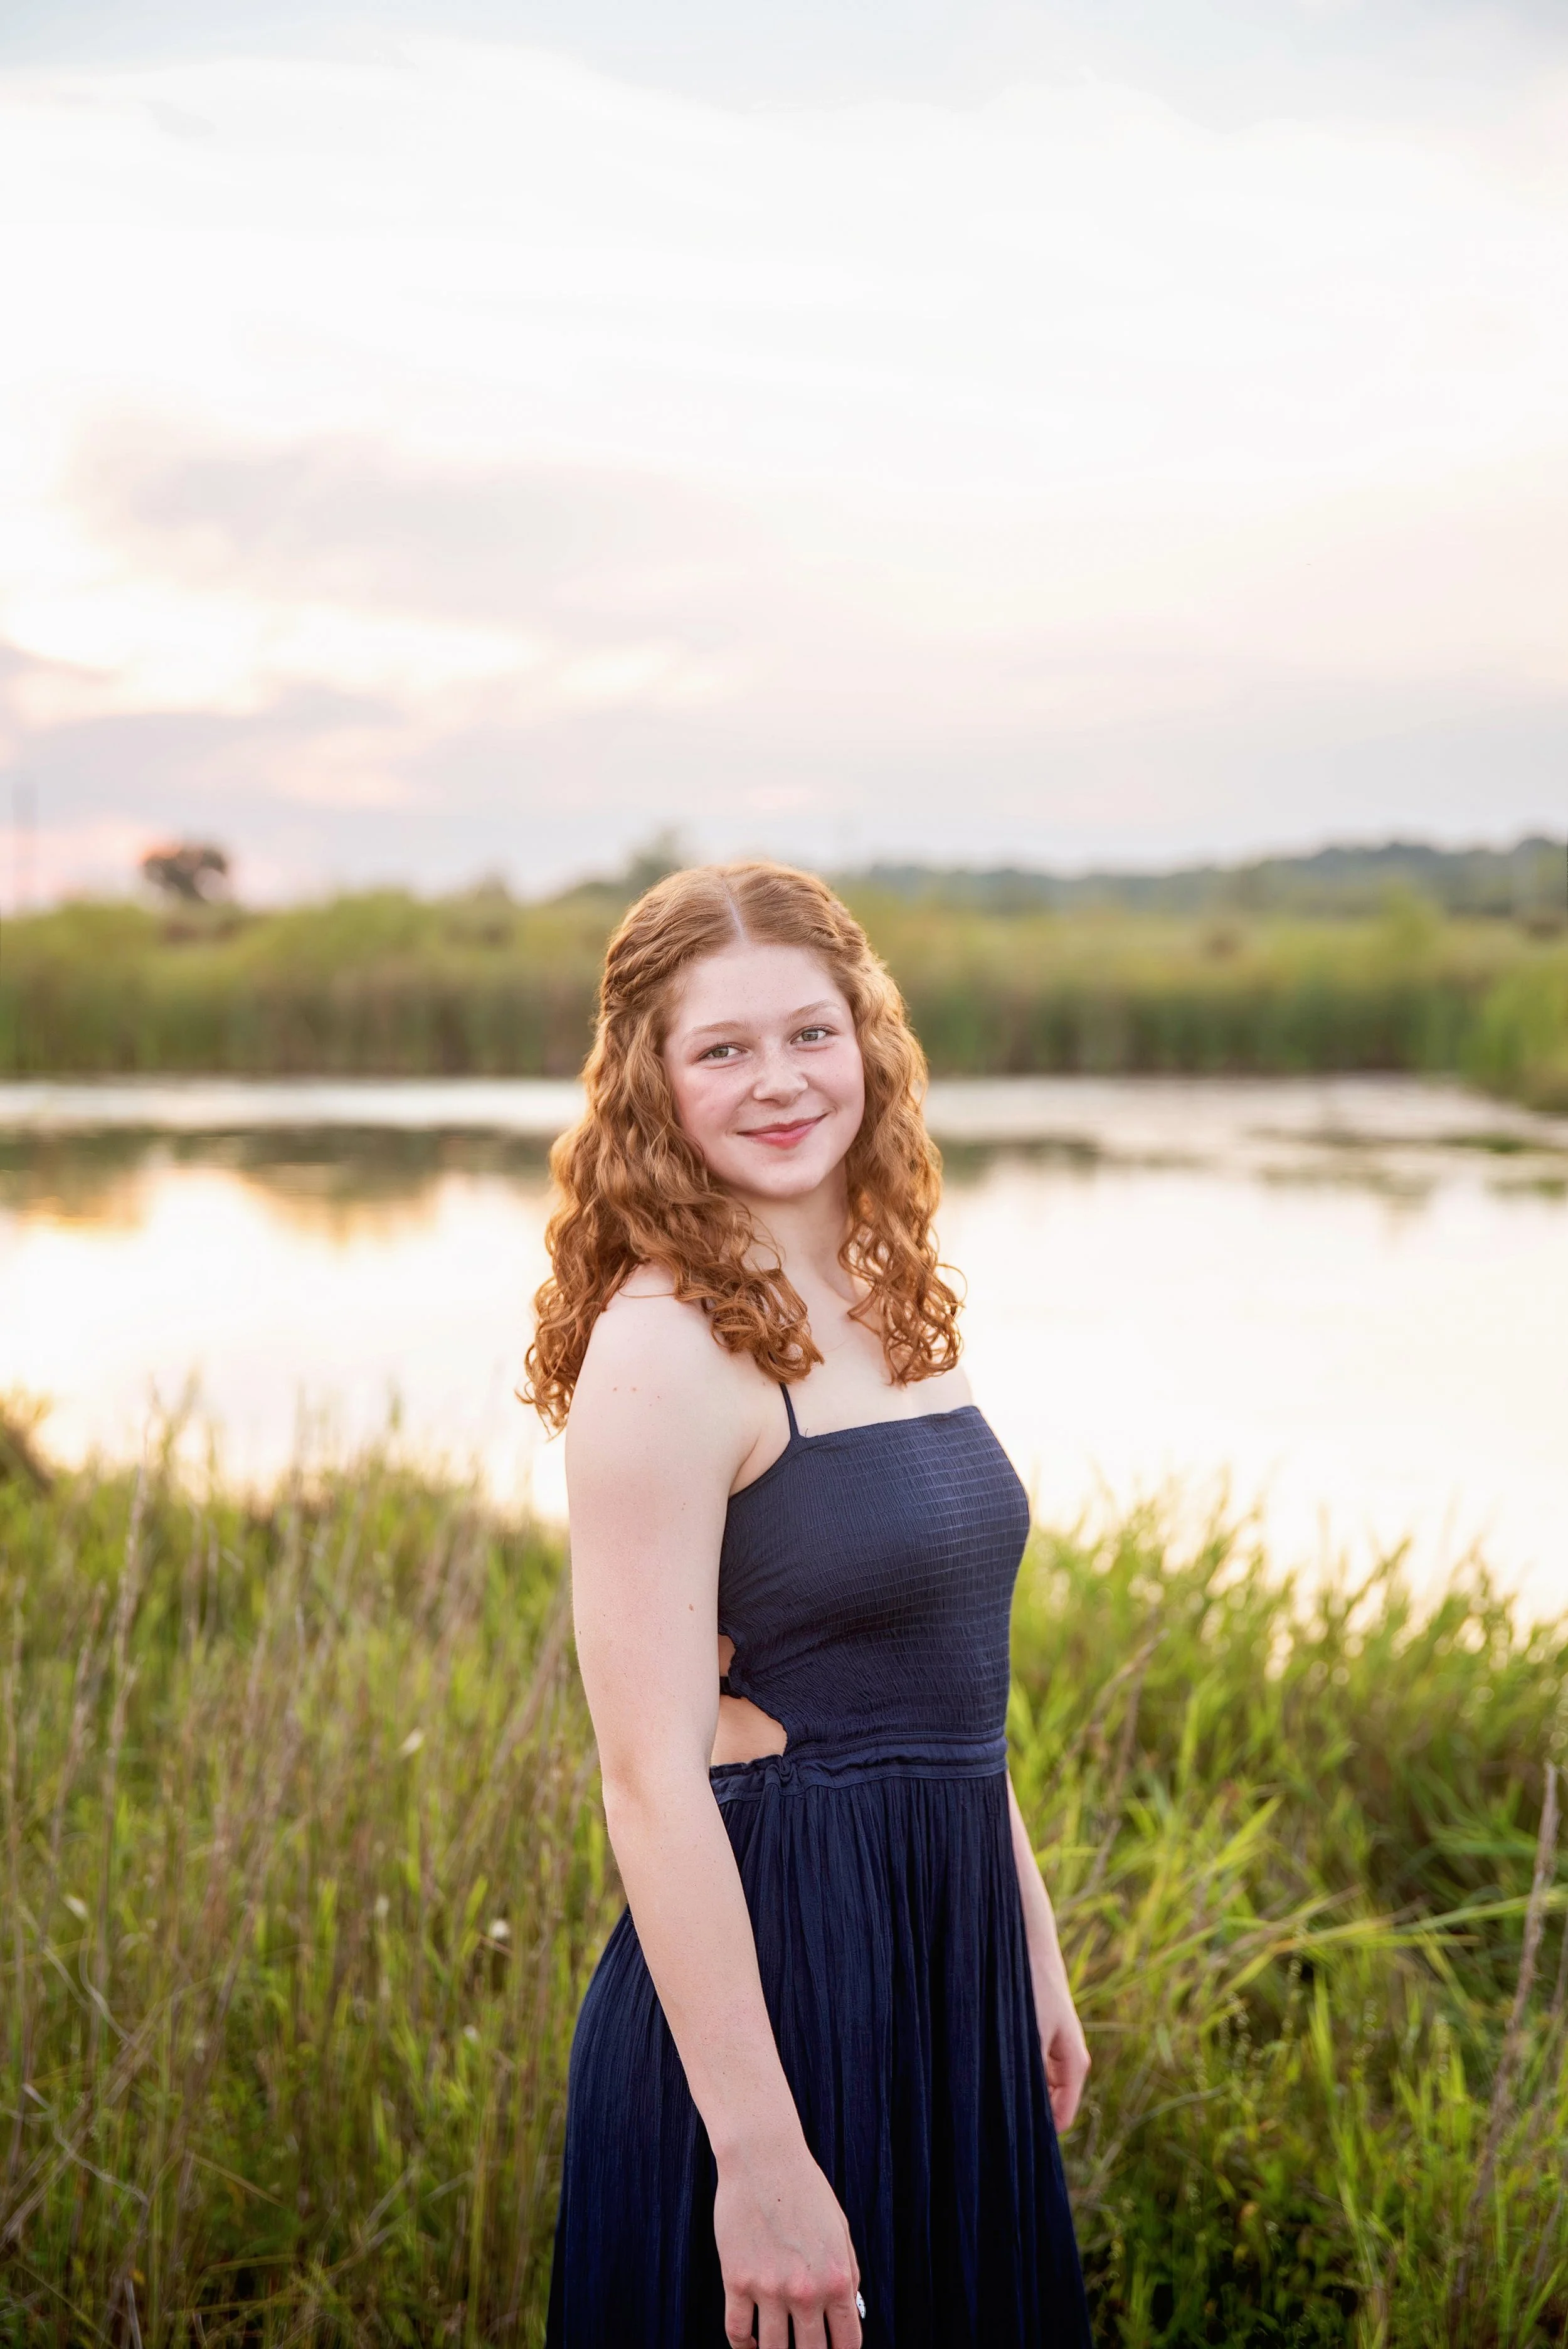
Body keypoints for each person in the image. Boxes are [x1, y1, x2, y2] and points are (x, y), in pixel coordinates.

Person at [527, 862, 1093, 2348]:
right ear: (650, 1084)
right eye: (720, 1050)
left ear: (868, 1042)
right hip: (785, 1973)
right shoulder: (658, 1353)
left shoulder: (883, 1293)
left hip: (942, 1946)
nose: (777, 1083)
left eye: (808, 1034)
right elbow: (651, 1778)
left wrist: (1025, 1947)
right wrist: (760, 2160)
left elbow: (949, 1674)